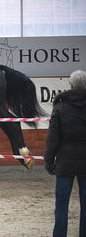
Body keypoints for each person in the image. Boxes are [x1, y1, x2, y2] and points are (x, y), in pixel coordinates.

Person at [45, 70, 86, 237]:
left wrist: (49, 161)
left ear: (71, 85)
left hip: (64, 161)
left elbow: (53, 139)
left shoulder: (60, 107)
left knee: (61, 204)